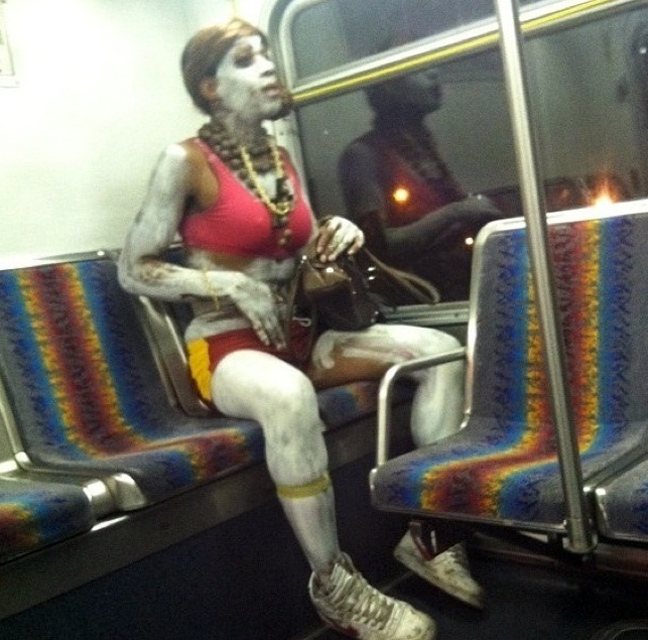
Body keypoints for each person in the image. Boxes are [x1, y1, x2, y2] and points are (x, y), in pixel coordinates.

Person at [118, 18, 479, 640]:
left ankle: (427, 535)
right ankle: (334, 585)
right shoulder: (184, 162)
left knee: (439, 352)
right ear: (210, 87)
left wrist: (338, 230)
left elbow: (292, 247)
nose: (267, 66)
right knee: (289, 397)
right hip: (226, 347)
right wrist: (226, 284)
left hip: (300, 336)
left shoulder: (279, 159)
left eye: (266, 53)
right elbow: (134, 269)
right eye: (245, 59)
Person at [339, 67, 503, 301]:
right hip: (419, 299)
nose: (434, 73)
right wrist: (460, 211)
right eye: (418, 69)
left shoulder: (422, 144)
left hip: (458, 288)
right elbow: (379, 246)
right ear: (390, 86)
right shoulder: (362, 154)